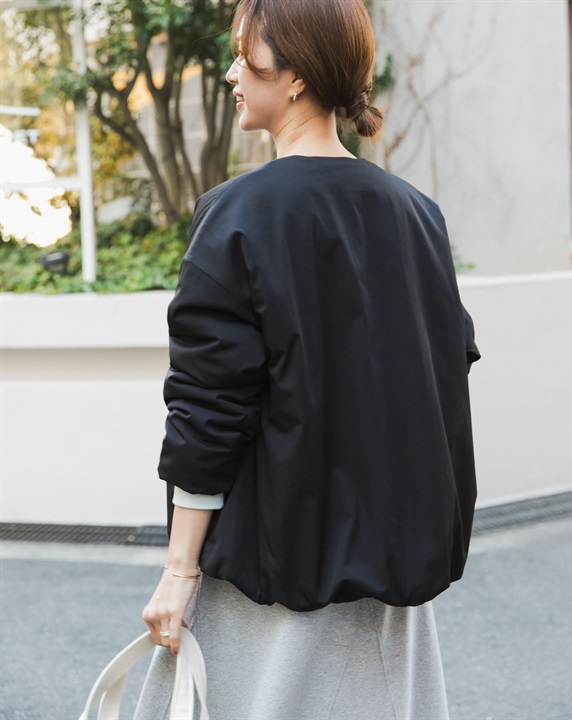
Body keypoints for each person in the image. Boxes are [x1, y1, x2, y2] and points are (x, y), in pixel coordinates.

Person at [135, 0, 480, 717]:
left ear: (295, 77)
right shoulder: (417, 214)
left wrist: (178, 570)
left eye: (245, 55)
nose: (231, 72)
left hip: (275, 572)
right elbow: (444, 375)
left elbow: (209, 405)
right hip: (391, 583)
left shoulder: (239, 213)